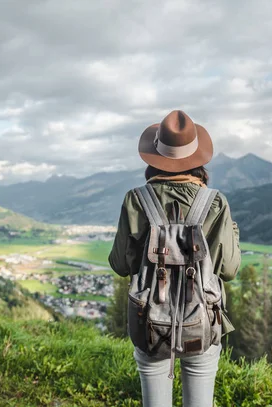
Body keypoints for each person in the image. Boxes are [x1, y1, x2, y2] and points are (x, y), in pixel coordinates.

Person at [108, 109, 241, 407]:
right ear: (198, 159)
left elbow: (119, 264)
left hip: (149, 323)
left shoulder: (135, 199)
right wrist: (231, 230)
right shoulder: (215, 202)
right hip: (203, 321)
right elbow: (230, 269)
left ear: (155, 156)